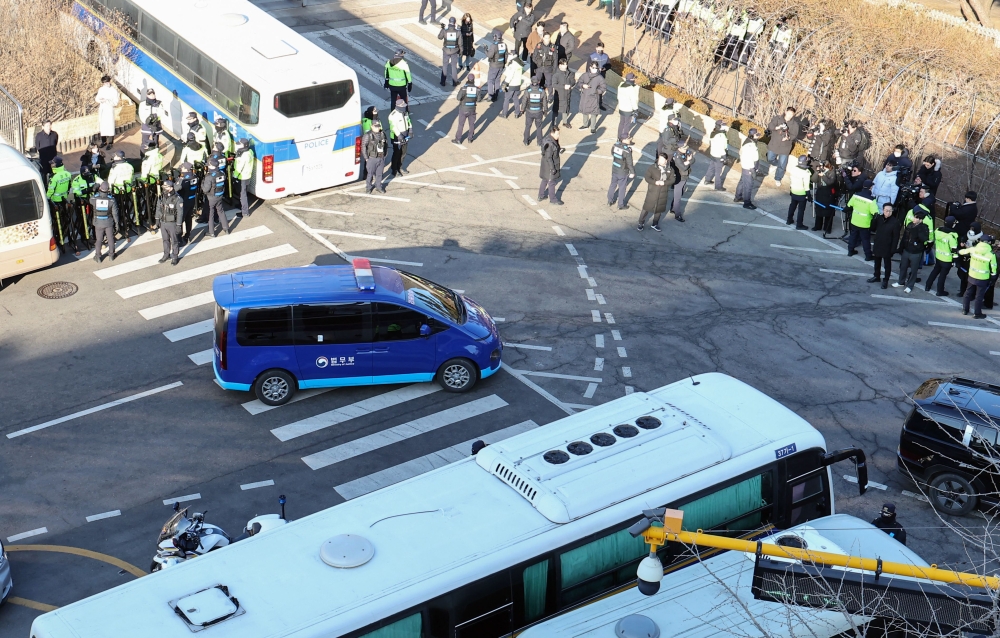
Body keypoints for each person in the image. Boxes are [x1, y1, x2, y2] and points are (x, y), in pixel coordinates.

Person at [960, 234, 997, 319]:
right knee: (979, 296)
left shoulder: (974, 249)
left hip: (972, 276)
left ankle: (965, 310)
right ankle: (977, 313)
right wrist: (993, 278)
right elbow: (994, 267)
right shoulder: (991, 254)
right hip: (983, 278)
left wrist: (957, 251)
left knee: (968, 293)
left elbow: (963, 252)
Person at [894, 208, 929, 293]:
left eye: (916, 218)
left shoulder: (924, 228)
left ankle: (910, 285)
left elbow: (924, 238)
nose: (914, 219)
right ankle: (901, 282)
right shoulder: (910, 225)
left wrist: (917, 232)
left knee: (913, 270)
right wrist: (901, 247)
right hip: (907, 249)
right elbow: (904, 237)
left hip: (916, 252)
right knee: (903, 267)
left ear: (920, 220)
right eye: (914, 217)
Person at [638, 154, 674, 232]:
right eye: (659, 159)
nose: (660, 161)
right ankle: (641, 223)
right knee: (646, 208)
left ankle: (655, 224)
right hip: (652, 191)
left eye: (662, 159)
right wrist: (655, 182)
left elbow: (672, 180)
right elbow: (647, 177)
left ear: (666, 160)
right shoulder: (652, 167)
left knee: (659, 209)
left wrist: (664, 183)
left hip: (663, 193)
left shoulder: (670, 169)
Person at [925, 216, 959, 296]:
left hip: (938, 256)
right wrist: (955, 261)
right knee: (942, 276)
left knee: (935, 271)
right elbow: (954, 250)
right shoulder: (952, 236)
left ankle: (927, 286)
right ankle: (940, 291)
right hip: (947, 259)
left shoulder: (937, 230)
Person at [766, 106, 800, 186]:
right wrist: (777, 127)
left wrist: (788, 137)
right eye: (788, 113)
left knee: (782, 164)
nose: (789, 115)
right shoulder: (778, 118)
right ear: (785, 112)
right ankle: (774, 164)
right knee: (770, 158)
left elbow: (794, 135)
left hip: (785, 147)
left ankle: (778, 178)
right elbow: (770, 126)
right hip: (774, 143)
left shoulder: (794, 124)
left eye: (791, 114)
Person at [869, 203, 900, 288]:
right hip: (878, 243)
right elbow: (872, 228)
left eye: (890, 211)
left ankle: (885, 280)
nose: (888, 212)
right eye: (886, 210)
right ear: (883, 210)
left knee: (887, 265)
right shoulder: (879, 218)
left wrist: (893, 249)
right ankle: (876, 276)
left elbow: (896, 237)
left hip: (887, 246)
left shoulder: (895, 222)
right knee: (877, 262)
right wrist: (874, 220)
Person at [47, 157, 74, 251]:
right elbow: (69, 186)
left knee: (56, 220)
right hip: (63, 199)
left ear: (57, 165)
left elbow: (51, 190)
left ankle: (59, 238)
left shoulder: (54, 177)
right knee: (65, 218)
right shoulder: (67, 174)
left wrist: (47, 198)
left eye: (53, 164)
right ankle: (66, 234)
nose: (51, 165)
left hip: (55, 201)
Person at [847, 179, 877, 260]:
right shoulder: (872, 200)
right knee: (865, 240)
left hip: (854, 221)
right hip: (865, 224)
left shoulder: (856, 195)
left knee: (853, 237)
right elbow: (875, 213)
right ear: (870, 188)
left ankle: (850, 251)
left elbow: (849, 205)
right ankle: (868, 256)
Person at [107, 150, 135, 235]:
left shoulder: (115, 168)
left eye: (115, 156)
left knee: (117, 208)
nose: (114, 157)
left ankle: (120, 225)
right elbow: (132, 177)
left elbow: (111, 181)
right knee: (126, 207)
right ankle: (127, 222)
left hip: (117, 191)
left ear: (119, 158)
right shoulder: (129, 166)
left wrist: (109, 190)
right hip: (128, 190)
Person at [156, 180, 183, 266]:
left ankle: (175, 256)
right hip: (163, 222)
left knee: (174, 241)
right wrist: (157, 219)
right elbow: (158, 208)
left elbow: (180, 213)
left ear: (171, 188)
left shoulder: (177, 198)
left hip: (172, 223)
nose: (164, 188)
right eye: (163, 187)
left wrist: (179, 225)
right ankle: (166, 254)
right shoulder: (161, 197)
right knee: (165, 240)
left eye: (166, 187)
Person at [91, 181, 119, 263]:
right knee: (110, 238)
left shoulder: (94, 198)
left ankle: (98, 257)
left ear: (100, 188)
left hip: (98, 222)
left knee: (99, 239)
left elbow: (90, 200)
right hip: (108, 222)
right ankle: (111, 255)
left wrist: (95, 190)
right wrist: (117, 223)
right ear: (108, 190)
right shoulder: (111, 200)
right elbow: (115, 213)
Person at [139, 141, 164, 233]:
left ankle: (150, 217)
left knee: (149, 200)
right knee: (157, 199)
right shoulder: (159, 155)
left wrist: (142, 182)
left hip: (150, 181)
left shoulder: (148, 159)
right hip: (158, 179)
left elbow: (145, 173)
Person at [202, 158, 229, 237]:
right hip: (220, 195)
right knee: (221, 211)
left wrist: (202, 183)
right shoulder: (222, 173)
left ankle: (212, 232)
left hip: (211, 197)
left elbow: (205, 189)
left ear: (212, 166)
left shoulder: (209, 176)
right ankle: (226, 228)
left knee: (211, 214)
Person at [577, 61, 606, 133]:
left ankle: (593, 127)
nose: (594, 69)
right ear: (590, 67)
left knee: (594, 113)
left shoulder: (600, 78)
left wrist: (596, 91)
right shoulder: (585, 75)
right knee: (585, 111)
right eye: (593, 68)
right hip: (585, 96)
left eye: (596, 68)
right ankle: (585, 125)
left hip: (594, 97)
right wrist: (583, 85)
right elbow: (579, 82)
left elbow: (603, 88)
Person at [361, 120, 389, 194]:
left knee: (379, 174)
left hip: (381, 157)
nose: (378, 128)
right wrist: (366, 158)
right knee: (370, 174)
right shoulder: (368, 135)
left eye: (378, 126)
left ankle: (378, 186)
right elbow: (363, 146)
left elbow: (386, 144)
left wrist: (385, 154)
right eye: (376, 127)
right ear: (372, 126)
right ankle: (368, 187)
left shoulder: (382, 134)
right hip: (372, 158)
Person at [607, 137, 635, 209]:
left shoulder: (615, 145)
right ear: (624, 139)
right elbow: (629, 163)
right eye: (628, 138)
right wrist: (632, 172)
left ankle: (610, 200)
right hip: (622, 172)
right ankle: (620, 205)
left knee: (612, 185)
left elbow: (612, 153)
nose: (630, 139)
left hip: (615, 169)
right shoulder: (627, 151)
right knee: (622, 188)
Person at [735, 128, 759, 209]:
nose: (758, 136)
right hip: (749, 168)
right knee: (748, 186)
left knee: (742, 182)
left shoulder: (748, 141)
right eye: (756, 134)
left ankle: (738, 197)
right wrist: (752, 170)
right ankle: (747, 203)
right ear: (752, 135)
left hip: (745, 167)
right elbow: (748, 159)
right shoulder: (750, 145)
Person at [957, 222, 984, 297]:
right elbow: (964, 237)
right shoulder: (968, 233)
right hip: (965, 258)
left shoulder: (980, 237)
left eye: (973, 228)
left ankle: (971, 294)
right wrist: (962, 242)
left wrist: (970, 248)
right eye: (971, 228)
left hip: (973, 259)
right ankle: (962, 291)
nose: (971, 230)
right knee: (963, 276)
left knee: (971, 279)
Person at [810, 161, 836, 235]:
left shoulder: (832, 172)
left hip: (828, 194)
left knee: (828, 211)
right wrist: (816, 172)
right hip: (820, 192)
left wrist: (823, 176)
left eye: (823, 166)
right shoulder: (821, 171)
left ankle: (827, 228)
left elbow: (830, 182)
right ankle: (817, 226)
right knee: (819, 210)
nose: (822, 167)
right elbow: (813, 180)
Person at [702, 120, 728, 191]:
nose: (725, 126)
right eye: (723, 125)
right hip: (719, 155)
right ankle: (718, 186)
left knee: (711, 167)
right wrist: (724, 157)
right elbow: (722, 147)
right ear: (719, 126)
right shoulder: (721, 135)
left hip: (713, 153)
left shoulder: (713, 133)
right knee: (718, 171)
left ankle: (707, 180)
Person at [538, 127, 563, 205]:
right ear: (552, 133)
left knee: (545, 179)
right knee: (552, 182)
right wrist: (552, 168)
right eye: (557, 134)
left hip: (545, 165)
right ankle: (553, 199)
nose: (558, 136)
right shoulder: (550, 144)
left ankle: (541, 195)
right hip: (550, 165)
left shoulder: (548, 139)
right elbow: (549, 157)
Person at [785, 155, 810, 229]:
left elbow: (791, 179)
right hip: (802, 193)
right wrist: (808, 195)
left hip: (793, 191)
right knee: (801, 210)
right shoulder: (806, 172)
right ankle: (799, 224)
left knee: (792, 206)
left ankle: (789, 220)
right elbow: (806, 185)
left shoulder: (794, 169)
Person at [670, 142, 694, 221]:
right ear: (679, 148)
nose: (686, 149)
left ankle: (673, 208)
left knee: (681, 193)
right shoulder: (677, 156)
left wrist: (688, 161)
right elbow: (683, 168)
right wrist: (687, 162)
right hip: (679, 177)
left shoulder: (685, 152)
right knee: (678, 197)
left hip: (684, 176)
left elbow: (693, 159)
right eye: (684, 148)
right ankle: (677, 214)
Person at [453, 75, 479, 144]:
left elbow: (458, 98)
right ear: (474, 80)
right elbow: (479, 99)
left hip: (463, 109)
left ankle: (458, 139)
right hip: (472, 109)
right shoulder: (477, 89)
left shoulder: (464, 88)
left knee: (461, 124)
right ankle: (470, 138)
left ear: (467, 79)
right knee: (472, 124)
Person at [521, 77, 548, 146]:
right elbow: (545, 101)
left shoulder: (528, 91)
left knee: (528, 126)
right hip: (538, 112)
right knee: (539, 127)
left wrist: (522, 109)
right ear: (538, 82)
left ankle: (526, 141)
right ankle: (539, 142)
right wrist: (545, 110)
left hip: (529, 111)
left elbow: (524, 101)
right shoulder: (542, 91)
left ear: (531, 82)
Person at [388, 99, 412, 177]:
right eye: (403, 106)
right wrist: (399, 136)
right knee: (397, 153)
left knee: (403, 153)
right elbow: (393, 127)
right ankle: (394, 170)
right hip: (396, 137)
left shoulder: (405, 112)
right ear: (398, 106)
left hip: (405, 134)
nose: (405, 107)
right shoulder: (393, 115)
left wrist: (410, 130)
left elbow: (408, 121)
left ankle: (400, 167)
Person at [95, 75, 119, 149]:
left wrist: (107, 100)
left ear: (109, 82)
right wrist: (100, 100)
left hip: (109, 109)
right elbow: (97, 98)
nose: (106, 84)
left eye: (107, 83)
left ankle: (110, 142)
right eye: (104, 83)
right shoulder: (101, 89)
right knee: (103, 126)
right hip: (102, 109)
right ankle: (104, 141)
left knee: (110, 126)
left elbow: (115, 102)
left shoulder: (113, 91)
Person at [232, 139, 255, 218]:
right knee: (244, 193)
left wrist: (235, 176)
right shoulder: (250, 152)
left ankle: (245, 212)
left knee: (243, 194)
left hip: (242, 177)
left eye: (240, 144)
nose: (238, 145)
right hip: (247, 176)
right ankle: (241, 206)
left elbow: (239, 167)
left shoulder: (244, 155)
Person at [483, 32, 508, 102]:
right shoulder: (504, 45)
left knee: (490, 80)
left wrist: (485, 50)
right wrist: (503, 63)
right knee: (497, 80)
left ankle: (490, 96)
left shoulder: (494, 46)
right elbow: (506, 55)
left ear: (495, 37)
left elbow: (490, 55)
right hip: (501, 65)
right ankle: (496, 95)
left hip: (494, 66)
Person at [177, 162, 199, 244]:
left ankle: (180, 238)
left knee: (180, 220)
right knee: (188, 218)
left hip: (183, 201)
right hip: (192, 199)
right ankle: (188, 234)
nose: (181, 169)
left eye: (182, 168)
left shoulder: (184, 179)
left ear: (186, 169)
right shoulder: (195, 176)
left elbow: (177, 189)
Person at [616, 72, 640, 141]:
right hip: (628, 109)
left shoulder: (621, 85)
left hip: (621, 107)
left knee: (621, 123)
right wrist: (635, 110)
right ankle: (625, 138)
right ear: (632, 79)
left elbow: (618, 97)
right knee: (627, 124)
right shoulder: (631, 89)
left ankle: (619, 137)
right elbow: (633, 100)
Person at [551, 58, 575, 127]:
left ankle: (565, 122)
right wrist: (563, 86)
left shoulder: (570, 73)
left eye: (566, 64)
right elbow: (554, 84)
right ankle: (554, 124)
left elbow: (573, 81)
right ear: (559, 65)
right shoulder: (556, 74)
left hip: (567, 94)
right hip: (559, 95)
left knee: (566, 108)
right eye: (563, 64)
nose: (565, 66)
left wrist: (570, 85)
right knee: (556, 109)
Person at [439, 17, 461, 86]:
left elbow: (439, 37)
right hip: (454, 50)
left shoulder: (445, 30)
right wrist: (461, 52)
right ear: (455, 23)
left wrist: (442, 29)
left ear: (449, 22)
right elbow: (460, 43)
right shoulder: (458, 32)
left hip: (446, 50)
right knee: (454, 66)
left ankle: (443, 81)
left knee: (445, 65)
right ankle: (454, 82)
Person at [589, 43, 610, 111]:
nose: (600, 50)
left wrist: (605, 68)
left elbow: (609, 65)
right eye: (599, 48)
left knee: (600, 91)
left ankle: (599, 104)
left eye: (601, 48)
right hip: (593, 77)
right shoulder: (592, 56)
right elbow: (588, 68)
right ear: (596, 48)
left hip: (602, 76)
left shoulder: (606, 56)